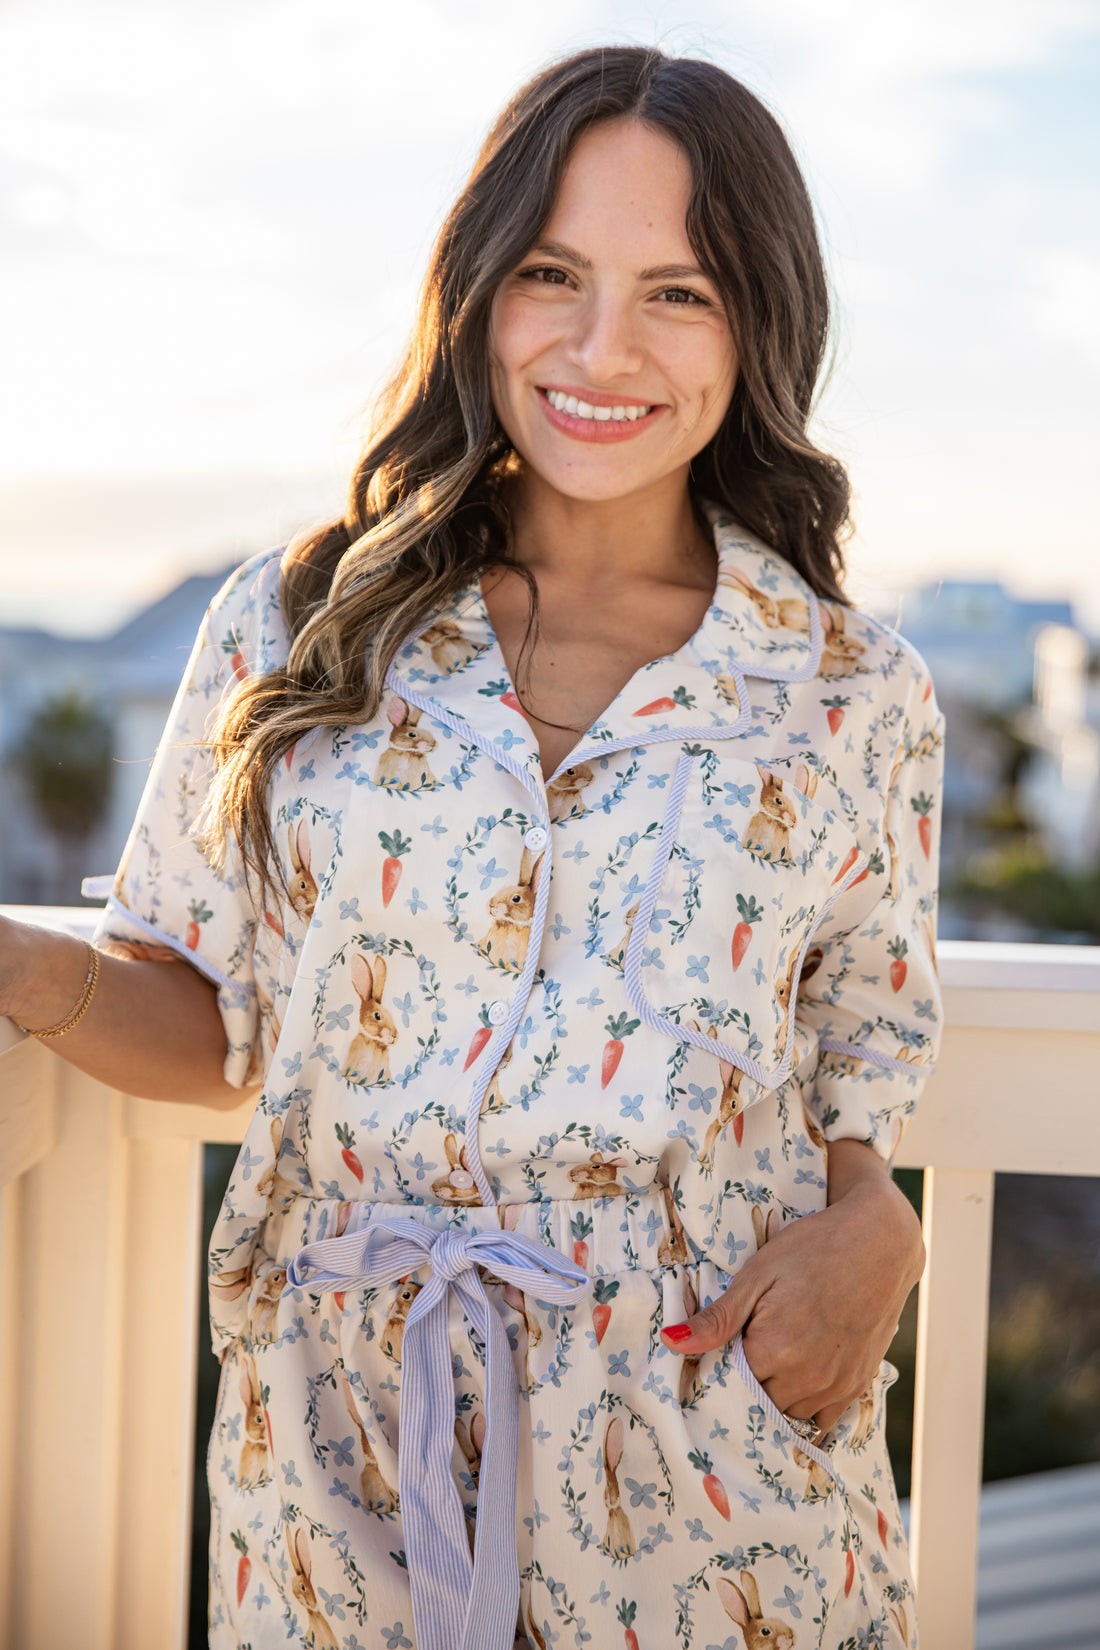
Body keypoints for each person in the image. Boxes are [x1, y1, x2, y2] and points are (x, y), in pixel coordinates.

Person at [0, 45, 943, 1650]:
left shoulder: (854, 692)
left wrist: (884, 1222)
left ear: (758, 323)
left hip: (712, 1485)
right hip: (337, 1470)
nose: (599, 347)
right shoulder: (298, 623)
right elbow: (214, 1020)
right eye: (552, 275)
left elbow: (862, 1073)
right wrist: (18, 965)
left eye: (680, 293)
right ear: (478, 293)